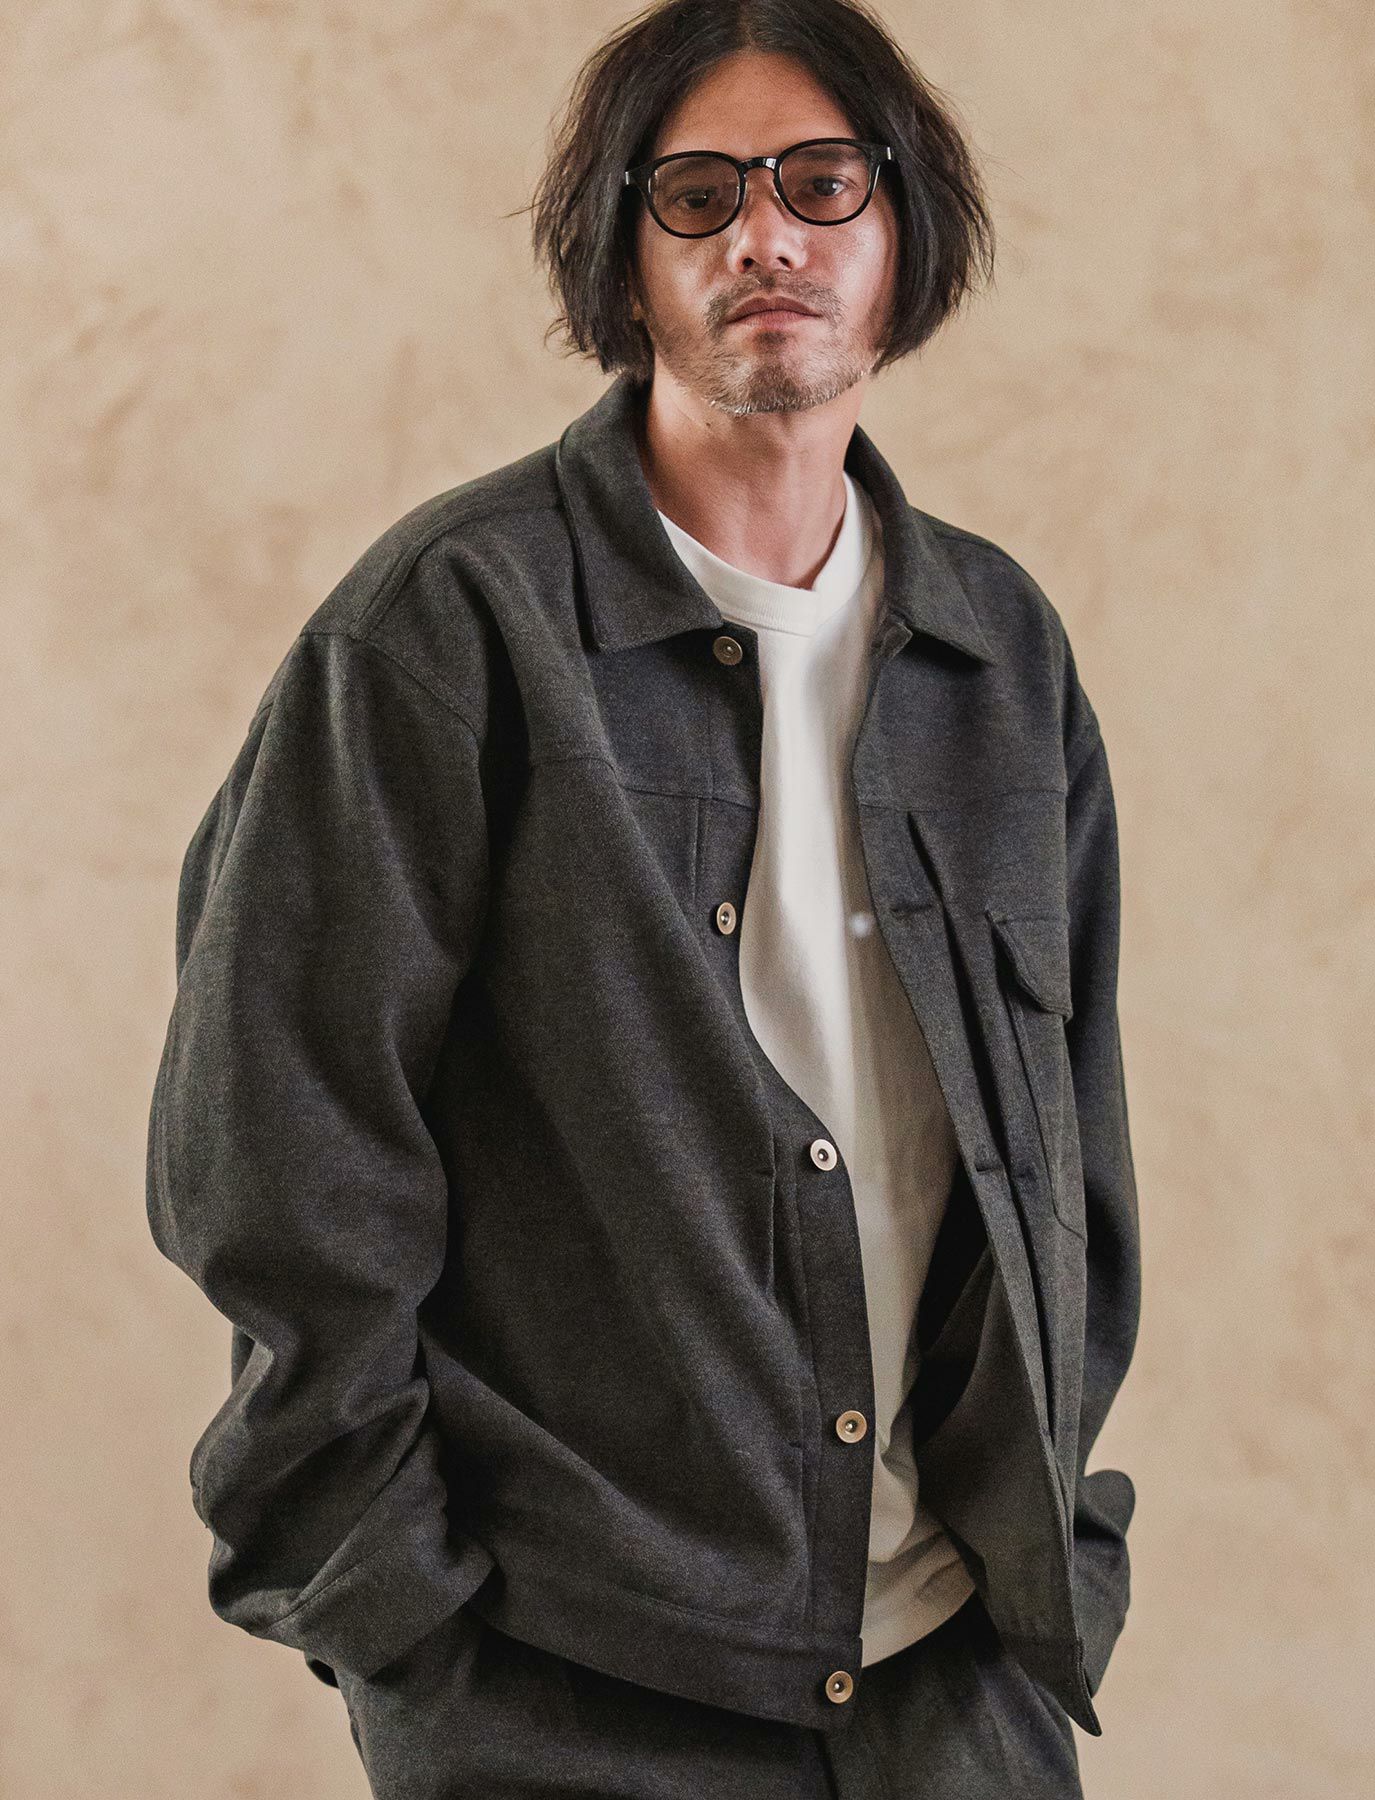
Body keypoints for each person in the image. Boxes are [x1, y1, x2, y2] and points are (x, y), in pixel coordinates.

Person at [144, 1, 1142, 1793]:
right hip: (569, 1691)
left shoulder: (1002, 656)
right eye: (698, 194)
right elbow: (274, 1158)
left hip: (954, 1684)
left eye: (822, 183)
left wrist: (1055, 1540)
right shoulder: (449, 632)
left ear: (902, 234)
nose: (766, 236)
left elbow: (1070, 1156)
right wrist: (409, 1635)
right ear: (622, 257)